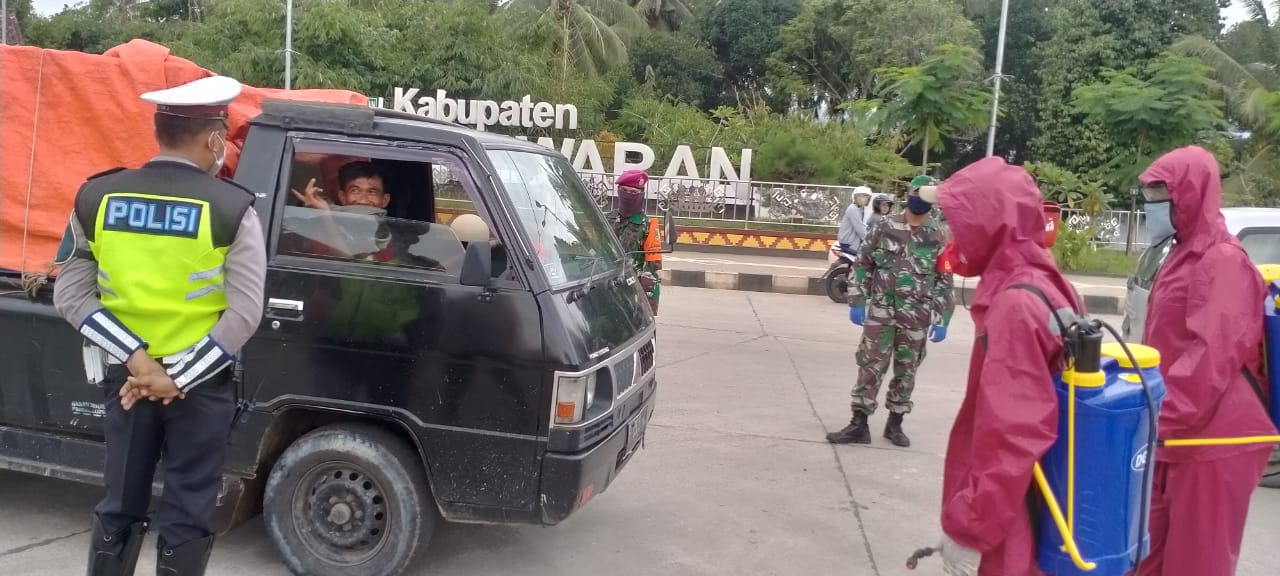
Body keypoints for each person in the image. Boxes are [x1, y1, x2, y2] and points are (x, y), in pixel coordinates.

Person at [51, 75, 267, 576]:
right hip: (197, 387)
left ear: (159, 132)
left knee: (119, 502)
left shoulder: (97, 197)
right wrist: (175, 377)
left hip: (127, 382)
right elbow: (244, 312)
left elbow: (72, 293)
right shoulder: (232, 208)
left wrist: (137, 359)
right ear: (214, 138)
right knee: (189, 511)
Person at [1135, 146, 1278, 576]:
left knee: (1196, 565)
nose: (1151, 204)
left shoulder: (1222, 260)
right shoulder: (1181, 252)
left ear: (1189, 194)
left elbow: (1209, 362)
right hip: (1177, 436)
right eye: (1149, 193)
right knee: (1144, 558)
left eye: (1161, 193)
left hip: (1214, 442)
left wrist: (1150, 420)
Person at [827, 175, 954, 448]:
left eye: (926, 195)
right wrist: (857, 299)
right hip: (881, 312)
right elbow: (863, 263)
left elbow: (944, 279)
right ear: (908, 194)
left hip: (916, 316)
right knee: (870, 365)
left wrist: (943, 318)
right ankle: (859, 423)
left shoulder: (938, 235)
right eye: (916, 193)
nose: (920, 199)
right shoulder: (885, 226)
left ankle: (895, 423)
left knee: (906, 370)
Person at [609, 169, 662, 315]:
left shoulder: (648, 225)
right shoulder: (607, 219)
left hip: (632, 290)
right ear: (618, 191)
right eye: (624, 190)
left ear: (641, 195)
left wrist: (647, 305)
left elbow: (653, 267)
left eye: (633, 193)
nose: (628, 195)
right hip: (605, 287)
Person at [837, 186, 873, 255]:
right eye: (860, 196)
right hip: (849, 244)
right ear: (854, 198)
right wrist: (872, 241)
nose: (862, 199)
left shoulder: (860, 209)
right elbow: (860, 230)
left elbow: (864, 225)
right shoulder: (853, 209)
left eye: (866, 197)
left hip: (852, 242)